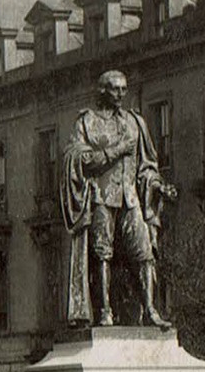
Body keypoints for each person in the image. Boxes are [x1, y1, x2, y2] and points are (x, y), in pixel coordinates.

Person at [61, 70, 175, 328]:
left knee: (144, 251)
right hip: (101, 197)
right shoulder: (86, 123)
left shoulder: (135, 122)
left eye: (124, 89)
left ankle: (149, 309)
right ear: (102, 90)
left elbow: (146, 165)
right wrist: (116, 151)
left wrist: (157, 184)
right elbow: (78, 159)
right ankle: (104, 311)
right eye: (115, 89)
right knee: (102, 253)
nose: (121, 94)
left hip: (131, 198)